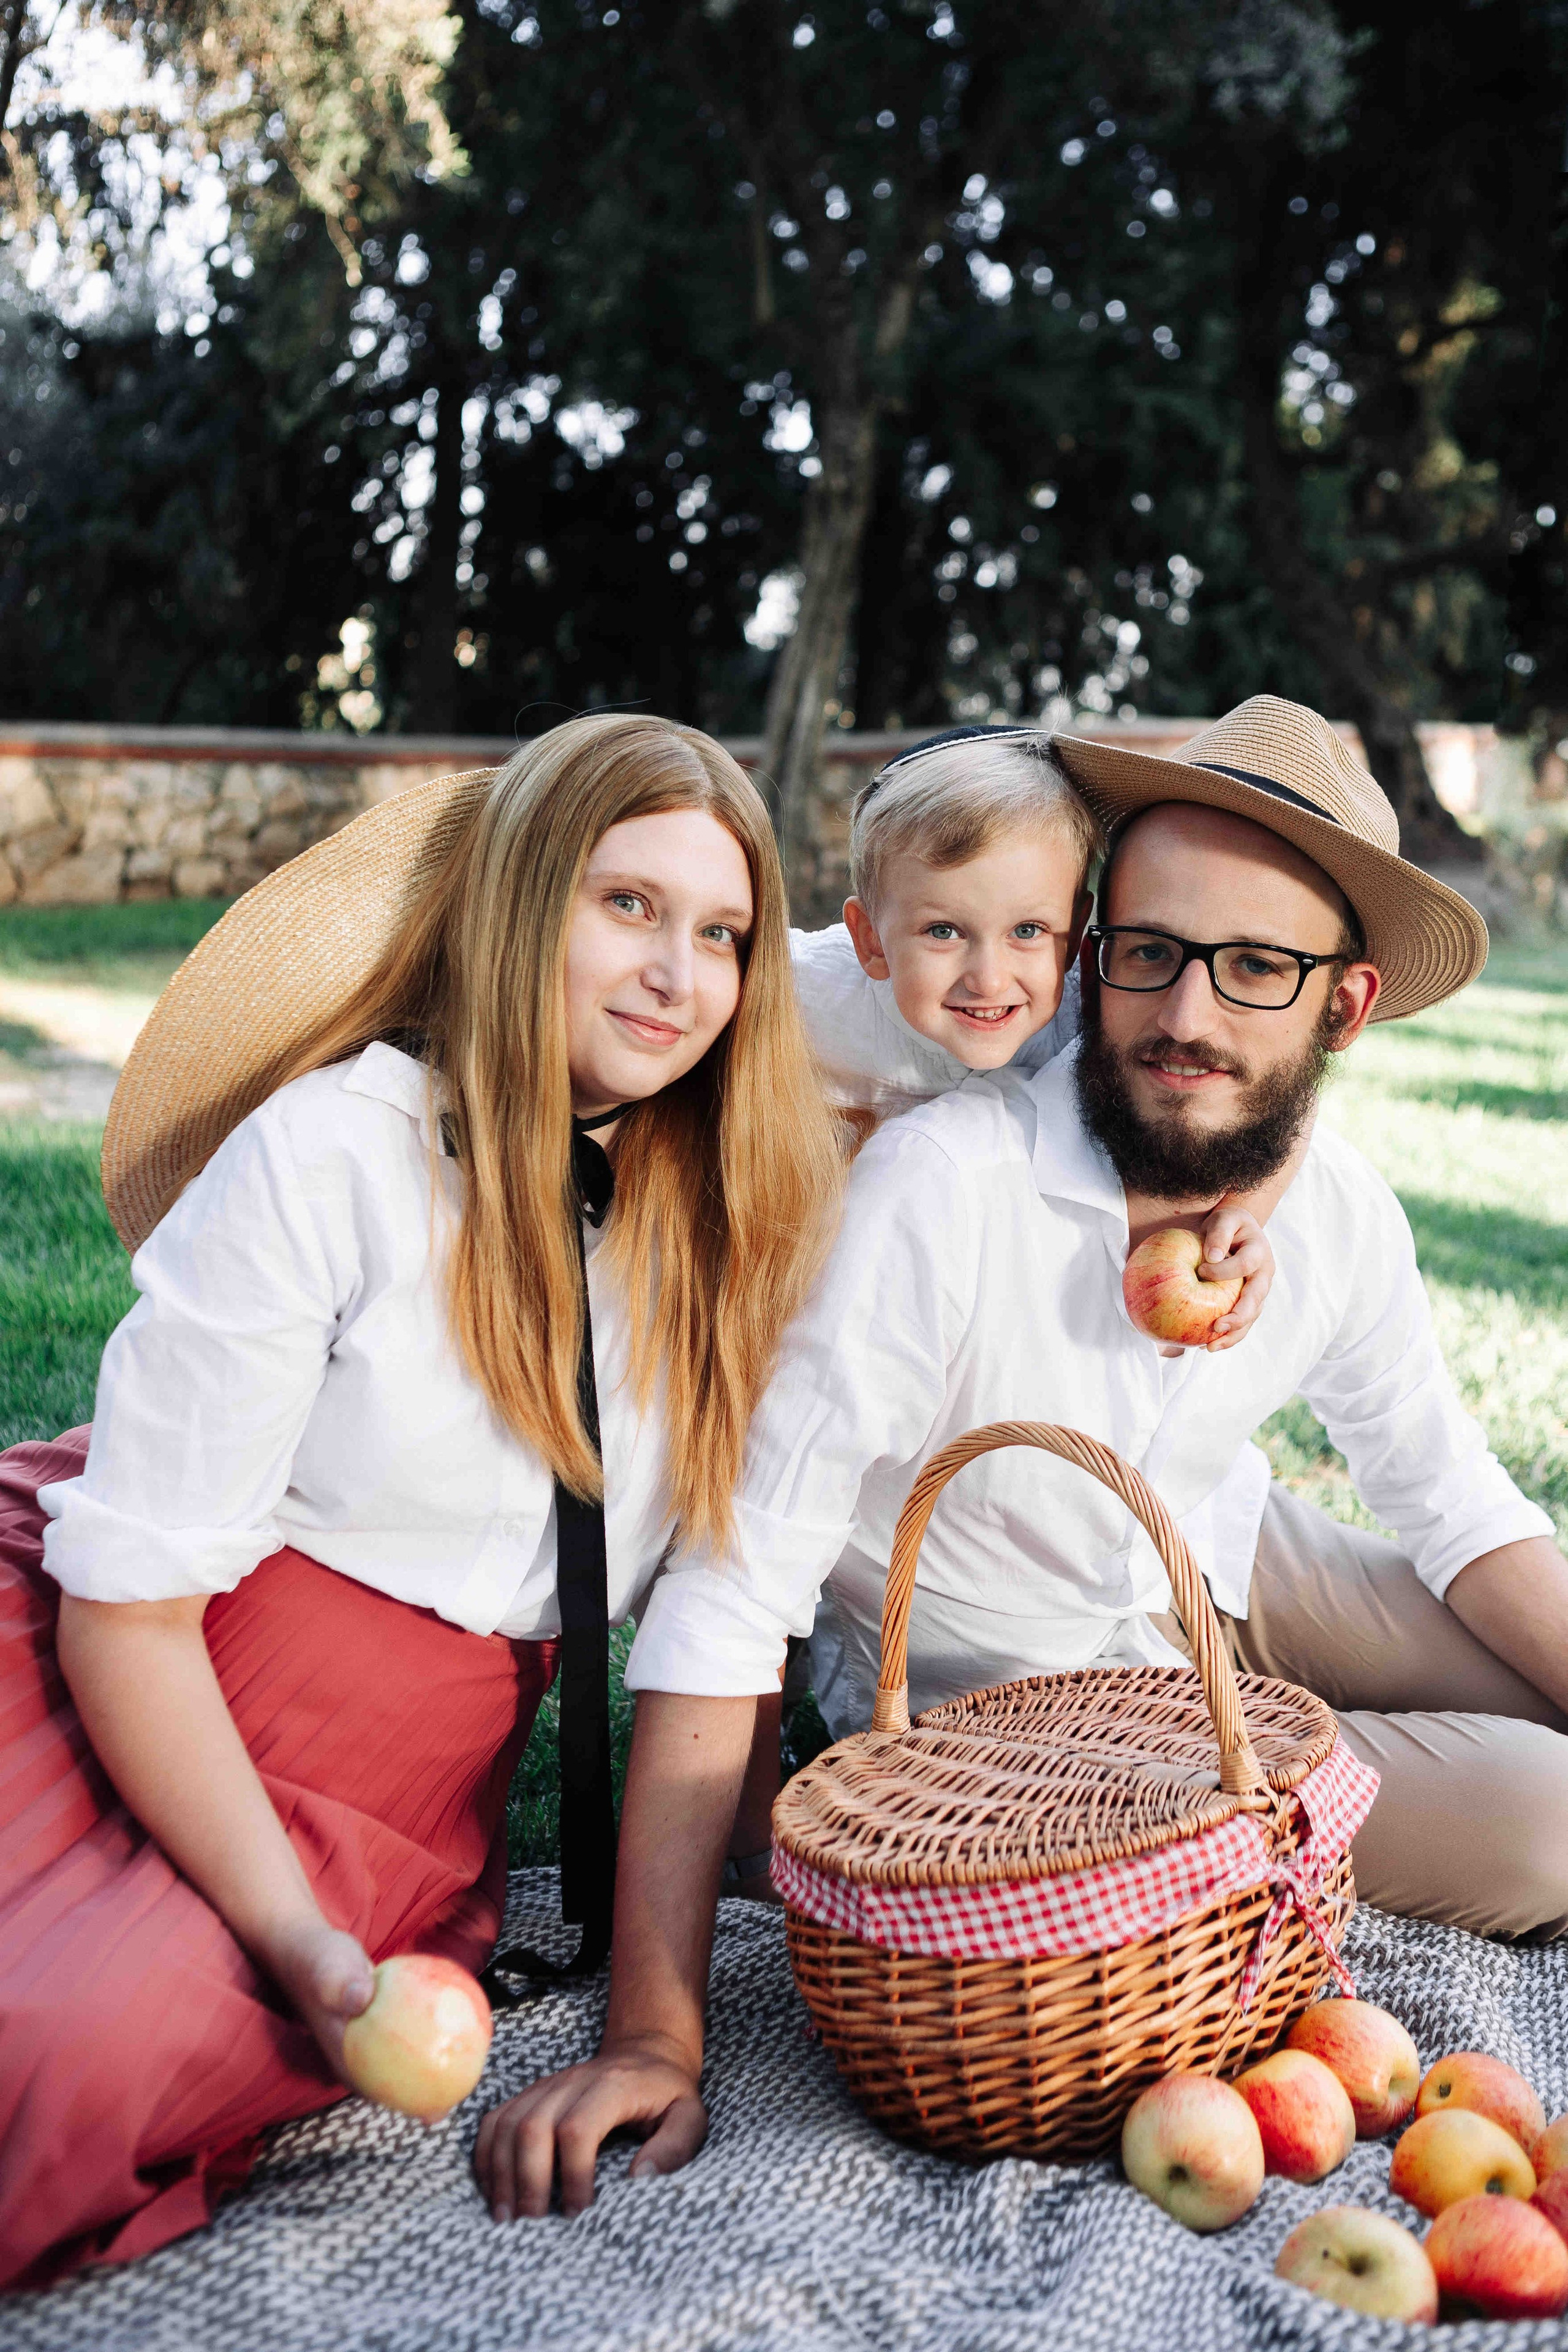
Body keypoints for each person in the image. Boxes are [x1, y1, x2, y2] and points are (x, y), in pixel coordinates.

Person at [474, 694, 1568, 2220]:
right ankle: (1284, 1772)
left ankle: (1304, 1740)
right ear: (1090, 953)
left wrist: (1282, 1159)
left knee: (1537, 1655)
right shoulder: (939, 1182)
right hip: (1040, 1689)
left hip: (1227, 1552)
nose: (1184, 1012)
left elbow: (1450, 1499)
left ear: (1347, 1005)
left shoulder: (1332, 1216)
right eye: (1150, 951)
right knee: (1546, 1821)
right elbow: (738, 1581)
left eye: (1257, 969)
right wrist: (655, 2028)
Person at [0, 713, 843, 2290]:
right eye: (628, 907)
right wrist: (304, 1944)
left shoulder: (726, 1214)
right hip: (134, 1644)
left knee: (67, 2059)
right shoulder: (333, 1154)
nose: (678, 973)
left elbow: (979, 978)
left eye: (722, 934)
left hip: (387, 1761)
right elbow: (132, 1605)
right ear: (522, 906)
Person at [709, 724, 1278, 1894]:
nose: (987, 975)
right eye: (942, 932)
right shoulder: (805, 998)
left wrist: (1238, 1211)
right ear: (870, 938)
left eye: (1028, 932)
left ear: (1073, 939)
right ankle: (739, 1831)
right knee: (753, 1519)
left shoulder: (1072, 1007)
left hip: (947, 1316)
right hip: (788, 1277)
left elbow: (1254, 1077)